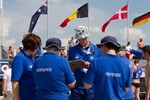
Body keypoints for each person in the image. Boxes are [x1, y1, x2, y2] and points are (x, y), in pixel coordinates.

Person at [83, 36, 132, 100]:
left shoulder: (96, 62)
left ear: (103, 46)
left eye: (100, 47)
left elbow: (87, 85)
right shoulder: (126, 65)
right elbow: (126, 89)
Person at [68, 25, 102, 100]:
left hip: (92, 87)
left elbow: (101, 68)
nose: (82, 41)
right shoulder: (72, 50)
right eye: (79, 39)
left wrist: (91, 66)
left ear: (88, 37)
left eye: (84, 38)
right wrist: (72, 68)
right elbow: (69, 68)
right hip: (77, 87)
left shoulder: (97, 50)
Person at [11, 33, 41, 100]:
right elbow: (15, 81)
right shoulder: (20, 58)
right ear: (34, 46)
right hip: (24, 96)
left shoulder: (31, 58)